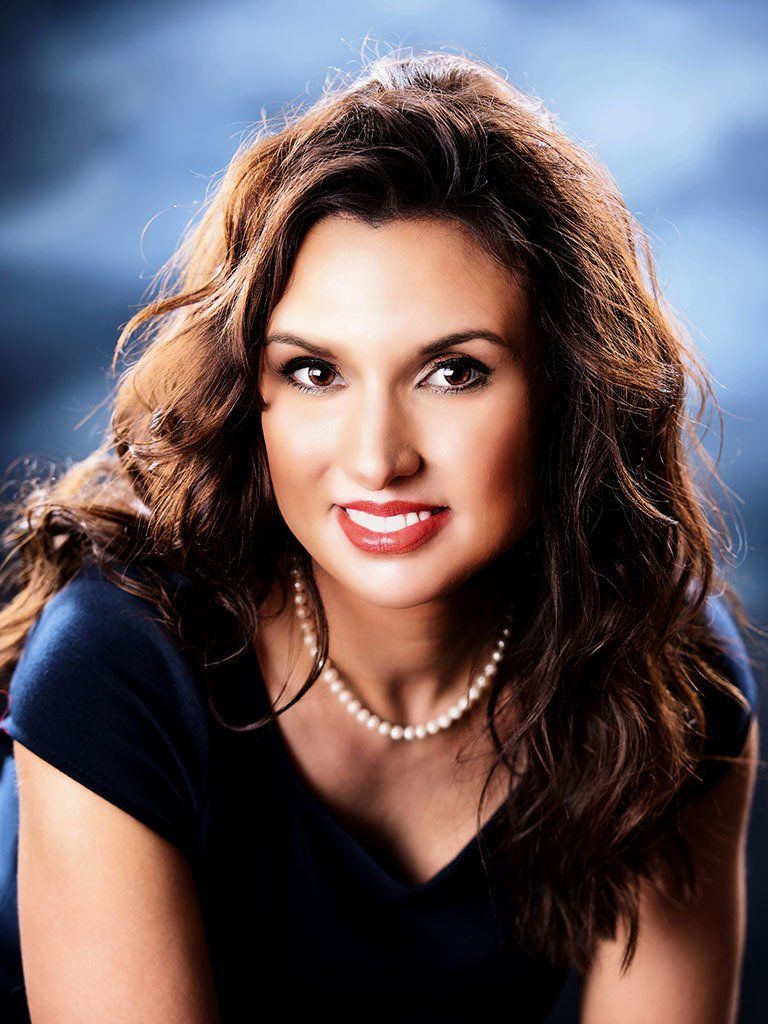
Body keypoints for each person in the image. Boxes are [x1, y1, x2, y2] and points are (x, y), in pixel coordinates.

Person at [0, 49, 761, 1024]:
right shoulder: (114, 665)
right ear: (252, 395)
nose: (377, 457)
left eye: (453, 372)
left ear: (567, 390)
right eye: (317, 371)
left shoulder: (664, 679)